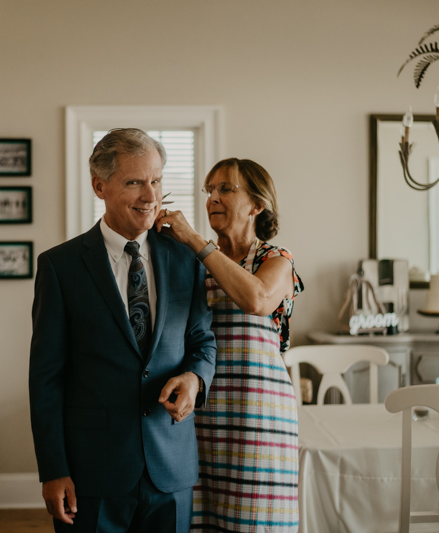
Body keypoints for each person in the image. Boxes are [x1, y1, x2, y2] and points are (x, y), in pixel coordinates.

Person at [29, 128, 217, 533]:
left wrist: (194, 379)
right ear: (100, 186)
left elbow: (203, 342)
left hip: (171, 466)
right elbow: (45, 378)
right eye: (135, 182)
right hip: (91, 472)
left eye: (156, 180)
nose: (151, 196)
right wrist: (53, 469)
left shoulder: (187, 259)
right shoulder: (59, 267)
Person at [156, 158, 304, 532]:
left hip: (259, 421)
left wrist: (193, 239)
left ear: (257, 205)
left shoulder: (276, 260)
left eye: (226, 188)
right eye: (209, 190)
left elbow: (255, 300)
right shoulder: (193, 265)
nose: (213, 198)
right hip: (199, 416)